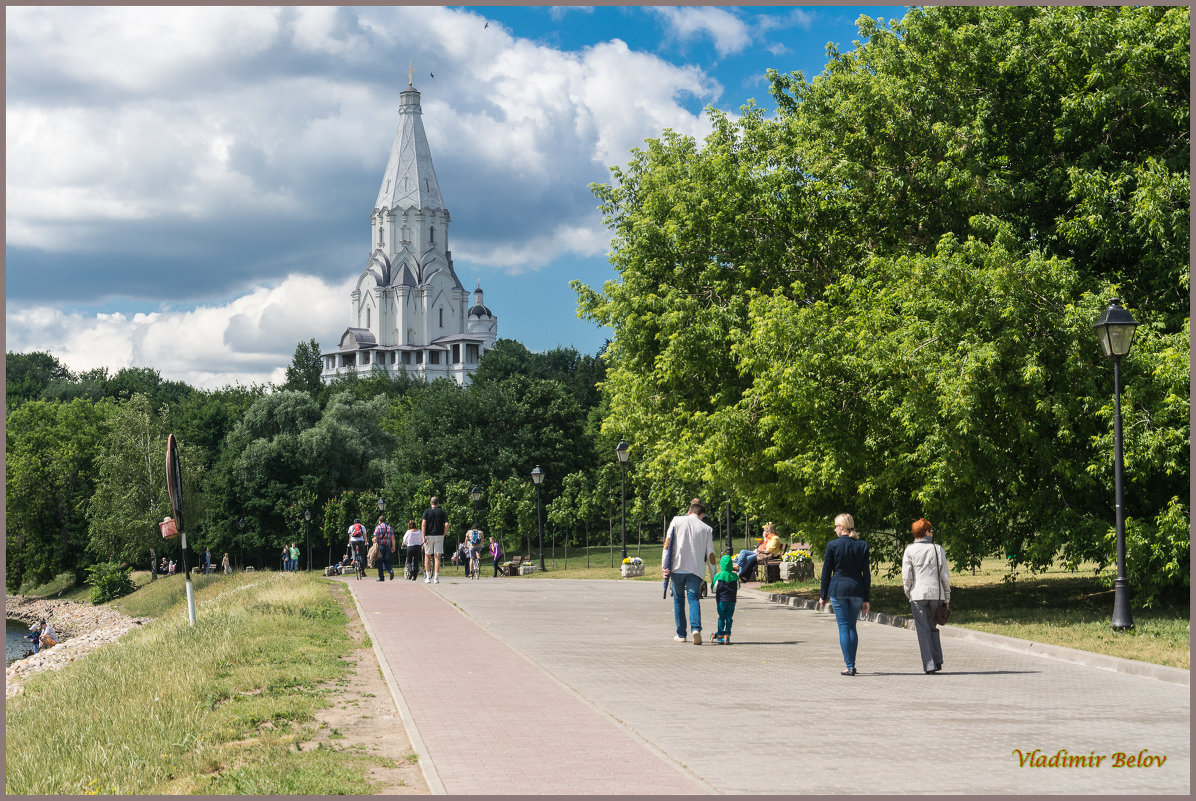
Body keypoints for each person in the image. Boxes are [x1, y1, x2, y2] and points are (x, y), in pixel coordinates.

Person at [818, 513, 871, 675]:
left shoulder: (833, 545)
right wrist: (866, 598)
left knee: (843, 627)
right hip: (856, 589)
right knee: (852, 626)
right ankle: (851, 663)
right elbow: (866, 574)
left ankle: (849, 666)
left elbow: (826, 572)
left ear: (841, 527)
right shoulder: (862, 545)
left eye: (835, 526)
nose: (834, 529)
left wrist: (823, 595)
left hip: (838, 589)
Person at [662, 498, 716, 645]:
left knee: (678, 601)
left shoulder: (676, 521)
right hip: (695, 570)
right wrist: (713, 577)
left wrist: (664, 567)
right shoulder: (706, 529)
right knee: (693, 599)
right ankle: (696, 629)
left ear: (689, 511)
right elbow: (711, 555)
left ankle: (681, 634)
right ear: (702, 515)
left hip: (676, 567)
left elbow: (667, 545)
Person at [903, 518, 951, 674]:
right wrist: (947, 597)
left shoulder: (909, 550)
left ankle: (930, 664)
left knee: (923, 630)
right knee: (932, 628)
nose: (932, 533)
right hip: (936, 594)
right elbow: (944, 575)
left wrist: (908, 591)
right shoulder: (938, 549)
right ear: (926, 532)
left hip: (917, 594)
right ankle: (937, 661)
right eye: (931, 530)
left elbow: (907, 576)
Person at [710, 553, 740, 644]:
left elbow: (713, 588)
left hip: (721, 601)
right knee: (729, 617)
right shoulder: (734, 576)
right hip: (732, 600)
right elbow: (738, 586)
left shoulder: (718, 576)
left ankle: (720, 633)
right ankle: (727, 633)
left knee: (721, 617)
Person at [421, 496, 449, 584]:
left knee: (427, 556)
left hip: (429, 535)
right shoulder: (442, 512)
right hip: (439, 535)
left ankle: (428, 577)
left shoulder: (427, 511)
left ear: (431, 503)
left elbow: (424, 523)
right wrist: (444, 534)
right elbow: (447, 524)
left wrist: (423, 536)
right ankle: (436, 578)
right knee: (437, 557)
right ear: (438, 503)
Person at [374, 515, 395, 581]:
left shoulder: (378, 527)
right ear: (385, 521)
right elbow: (393, 538)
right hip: (387, 546)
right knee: (387, 560)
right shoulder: (390, 528)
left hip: (380, 546)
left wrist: (374, 541)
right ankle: (390, 571)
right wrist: (393, 546)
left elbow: (375, 538)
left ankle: (381, 577)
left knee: (380, 562)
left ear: (379, 521)